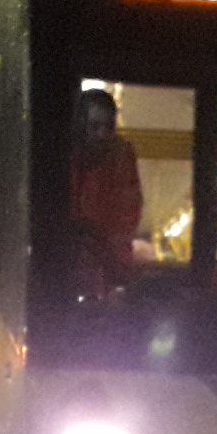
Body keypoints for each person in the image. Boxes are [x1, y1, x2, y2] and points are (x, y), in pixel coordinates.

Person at [70, 88, 143, 296]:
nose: (102, 134)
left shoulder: (121, 156)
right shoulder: (65, 157)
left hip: (109, 268)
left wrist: (101, 246)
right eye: (94, 127)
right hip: (69, 264)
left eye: (108, 127)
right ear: (80, 126)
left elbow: (129, 210)